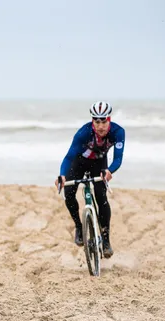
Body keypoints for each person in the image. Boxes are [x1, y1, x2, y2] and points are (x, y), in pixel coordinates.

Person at [55, 101, 125, 258]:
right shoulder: (83, 133)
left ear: (109, 120)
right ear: (93, 120)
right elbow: (68, 157)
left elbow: (118, 159)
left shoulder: (118, 132)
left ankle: (106, 240)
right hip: (78, 162)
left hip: (100, 164)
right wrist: (62, 175)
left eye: (104, 121)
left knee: (101, 197)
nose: (100, 126)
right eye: (97, 121)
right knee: (69, 193)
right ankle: (79, 227)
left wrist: (109, 171)